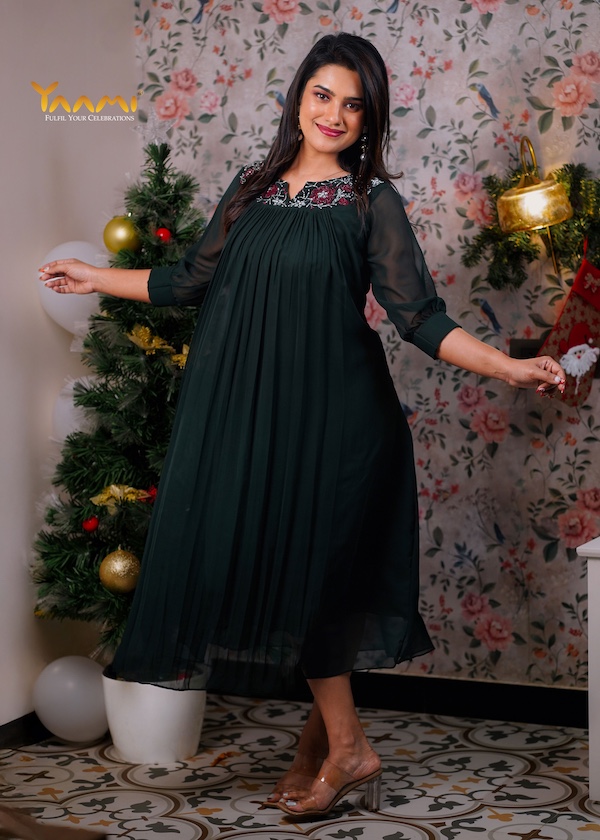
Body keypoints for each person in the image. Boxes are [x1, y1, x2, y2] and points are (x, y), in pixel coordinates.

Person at [40, 33, 566, 819]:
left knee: (317, 584)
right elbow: (186, 279)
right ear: (298, 97)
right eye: (323, 95)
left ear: (369, 119)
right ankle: (320, 742)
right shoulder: (251, 189)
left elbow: (420, 317)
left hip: (342, 427)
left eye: (353, 105)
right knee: (290, 580)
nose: (334, 114)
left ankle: (347, 749)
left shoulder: (370, 202)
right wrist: (93, 276)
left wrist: (508, 367)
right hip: (259, 425)